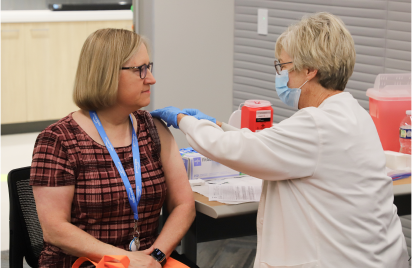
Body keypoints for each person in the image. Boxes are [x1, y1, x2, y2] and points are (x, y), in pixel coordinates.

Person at [151, 12, 409, 268]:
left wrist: (184, 120)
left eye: (283, 67)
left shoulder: (317, 125)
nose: (280, 75)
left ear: (309, 70)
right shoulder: (353, 114)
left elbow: (236, 150)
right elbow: (270, 145)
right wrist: (219, 125)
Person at [30, 28, 196, 268]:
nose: (151, 78)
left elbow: (184, 204)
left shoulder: (153, 128)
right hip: (83, 262)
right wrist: (126, 259)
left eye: (149, 67)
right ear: (105, 74)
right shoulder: (58, 140)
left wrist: (156, 255)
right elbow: (55, 230)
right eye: (140, 70)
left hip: (148, 261)